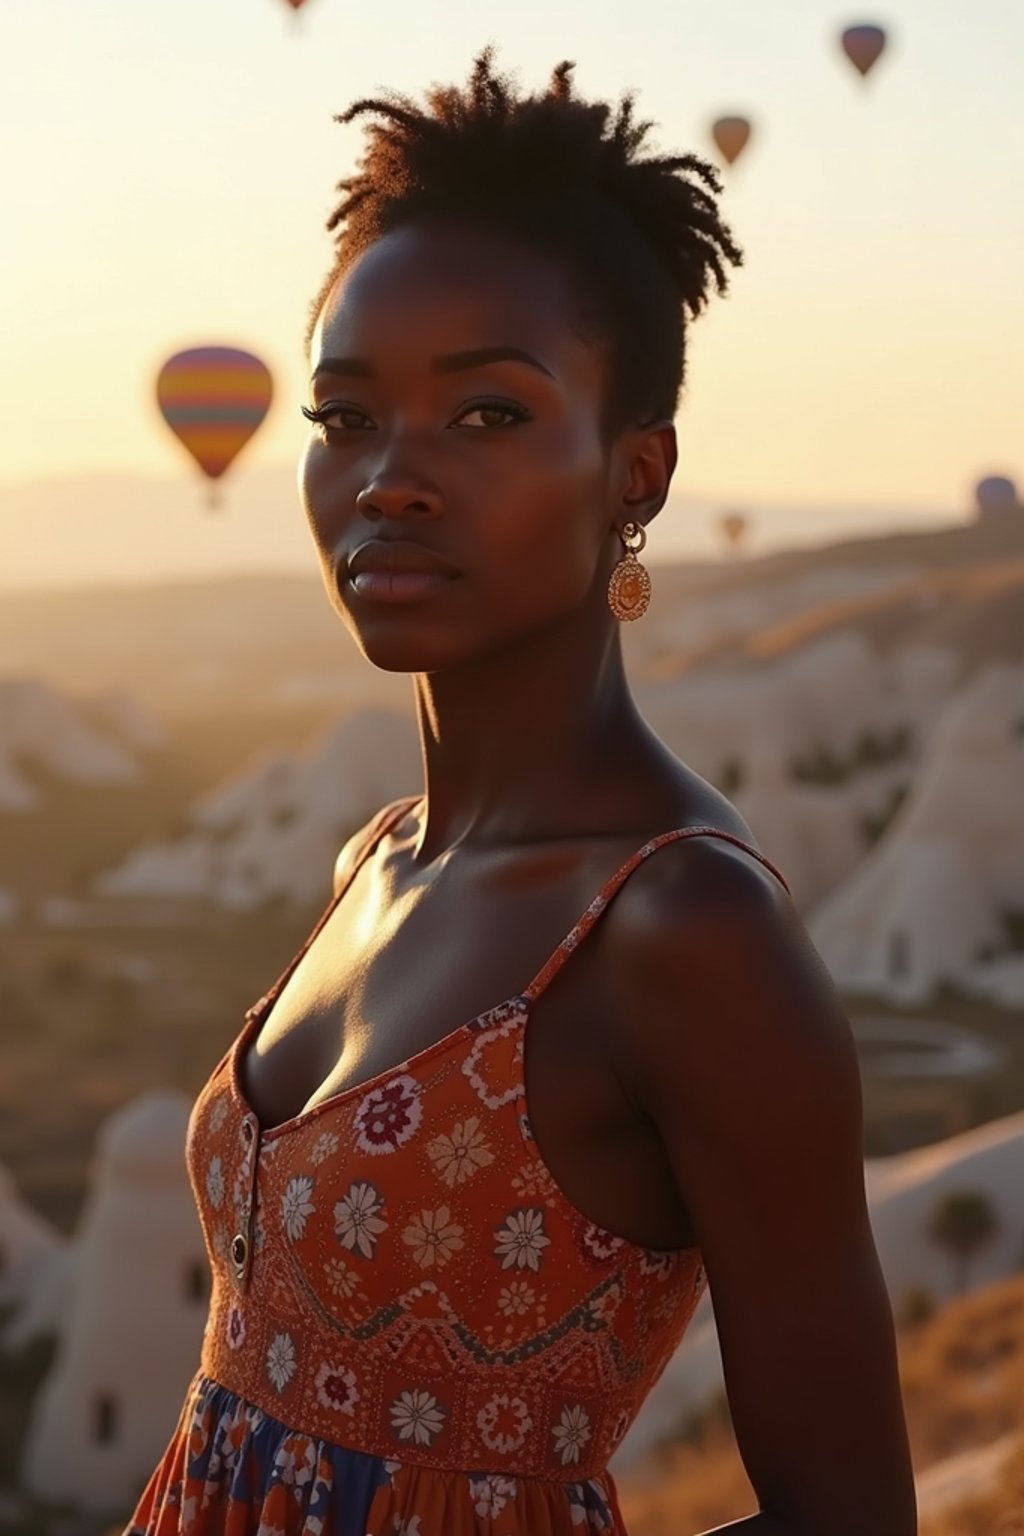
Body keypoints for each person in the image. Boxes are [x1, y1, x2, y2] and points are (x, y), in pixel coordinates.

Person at [125, 49, 916, 1536]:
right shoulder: (380, 860)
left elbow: (853, 1519)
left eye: (485, 415)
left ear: (637, 474)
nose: (391, 480)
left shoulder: (684, 929)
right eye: (347, 418)